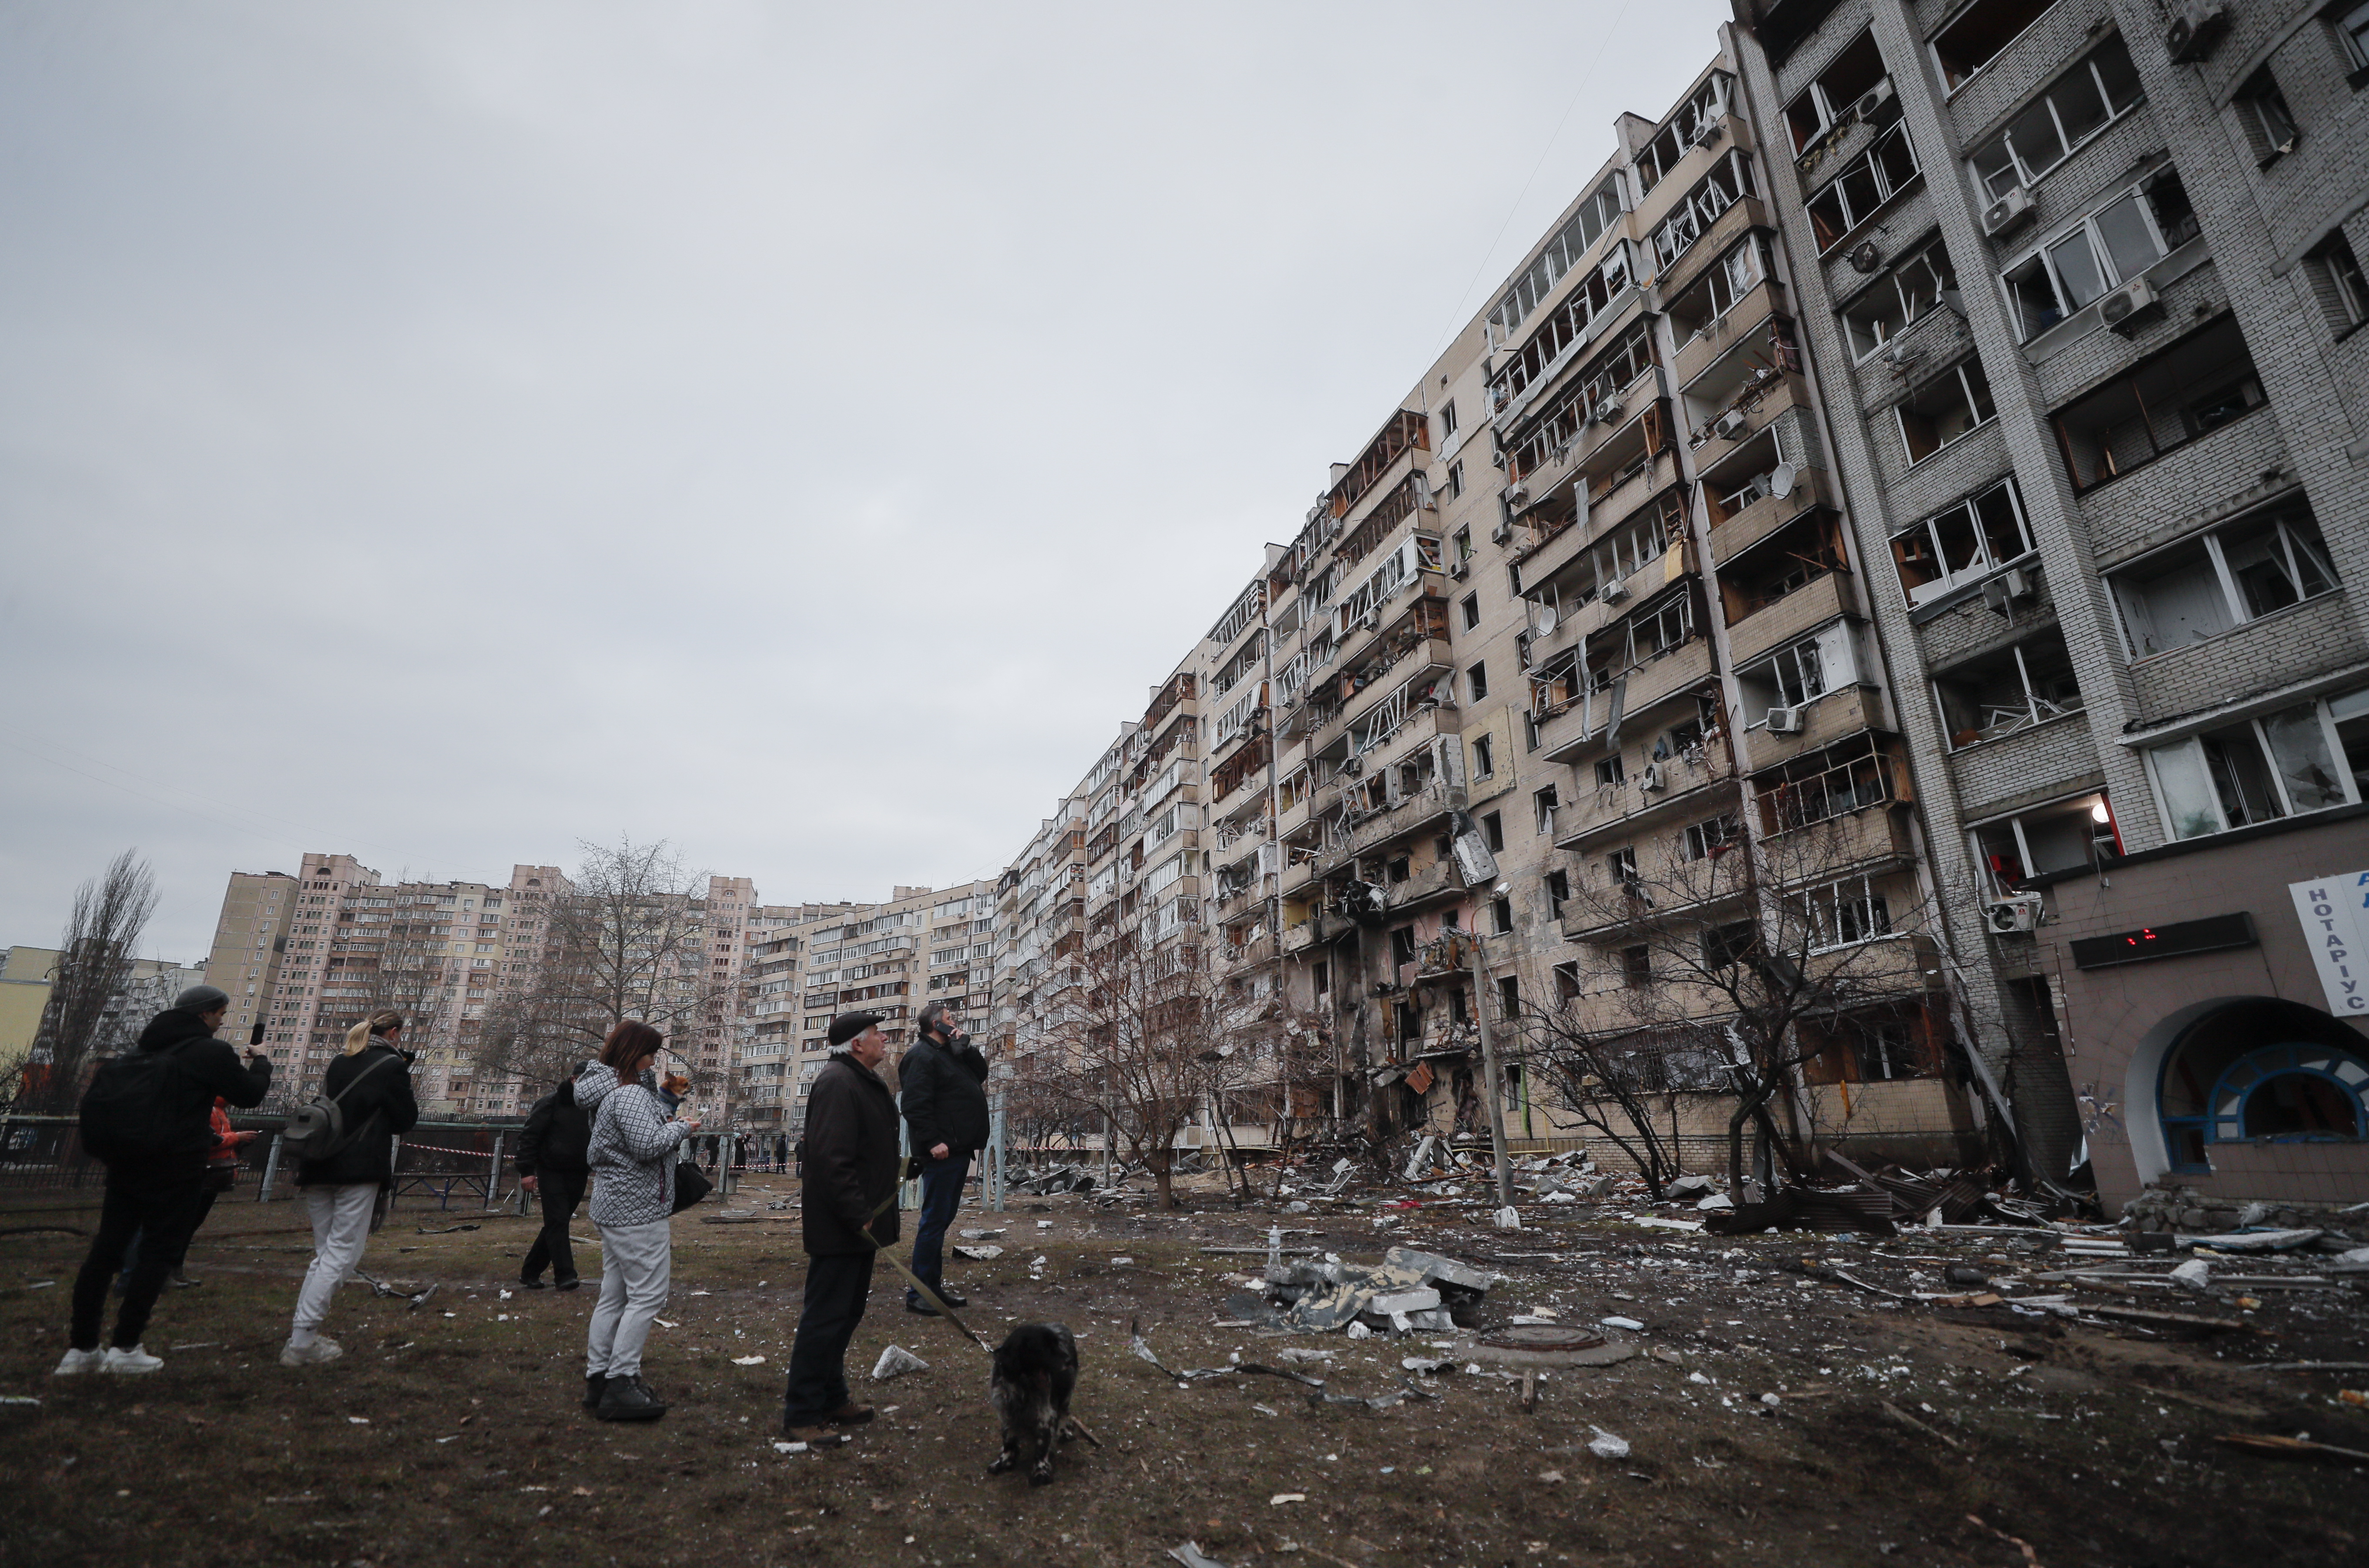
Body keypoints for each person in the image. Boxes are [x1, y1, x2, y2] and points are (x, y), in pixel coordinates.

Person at [56, 985, 271, 1375]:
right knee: (158, 1252)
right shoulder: (209, 1052)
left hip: (126, 1164)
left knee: (106, 1252)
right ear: (205, 1014)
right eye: (221, 1014)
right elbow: (250, 1095)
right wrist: (263, 1063)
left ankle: (82, 1348)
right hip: (177, 1167)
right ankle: (126, 1345)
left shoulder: (141, 1051)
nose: (222, 1022)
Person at [781, 1010, 900, 1438]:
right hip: (844, 1225)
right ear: (856, 1043)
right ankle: (802, 1412)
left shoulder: (857, 1078)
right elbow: (832, 1158)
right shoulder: (837, 1082)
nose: (885, 1038)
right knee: (826, 1317)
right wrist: (857, 1212)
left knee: (846, 1314)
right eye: (877, 1034)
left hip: (857, 1225)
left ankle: (832, 1397)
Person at [281, 1009, 419, 1368]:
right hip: (358, 1169)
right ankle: (301, 1340)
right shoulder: (391, 1067)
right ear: (393, 1032)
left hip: (319, 1162)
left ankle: (302, 1336)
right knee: (342, 1254)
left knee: (324, 1252)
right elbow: (405, 1119)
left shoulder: (340, 1062)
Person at [581, 1021, 697, 1422]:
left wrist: (667, 1110)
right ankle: (621, 1380)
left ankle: (599, 1377)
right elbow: (647, 1146)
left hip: (617, 1208)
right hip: (636, 1210)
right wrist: (683, 1127)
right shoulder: (629, 1094)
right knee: (647, 1294)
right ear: (635, 1053)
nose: (654, 1060)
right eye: (650, 1052)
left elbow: (640, 1136)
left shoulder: (620, 1092)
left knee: (614, 1295)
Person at [897, 1002, 990, 1315]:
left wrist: (966, 1048)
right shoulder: (920, 1056)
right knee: (934, 1219)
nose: (955, 1022)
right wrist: (933, 1140)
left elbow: (980, 1075)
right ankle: (919, 1293)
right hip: (942, 1150)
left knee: (942, 1219)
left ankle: (932, 1288)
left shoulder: (949, 1054)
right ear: (937, 1024)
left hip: (958, 1147)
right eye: (950, 1020)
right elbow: (914, 1104)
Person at [160, 1097, 260, 1287]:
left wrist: (238, 1143)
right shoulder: (209, 1109)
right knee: (184, 1224)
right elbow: (209, 1140)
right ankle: (167, 1271)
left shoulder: (219, 1110)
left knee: (191, 1224)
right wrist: (236, 1138)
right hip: (204, 1171)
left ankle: (175, 1269)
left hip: (213, 1173)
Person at [516, 1069, 592, 1291]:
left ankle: (530, 1272)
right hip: (551, 1170)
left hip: (578, 1171)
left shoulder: (591, 1107)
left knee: (557, 1223)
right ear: (573, 1080)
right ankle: (565, 1275)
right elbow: (530, 1137)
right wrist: (527, 1171)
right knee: (558, 1221)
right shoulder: (550, 1103)